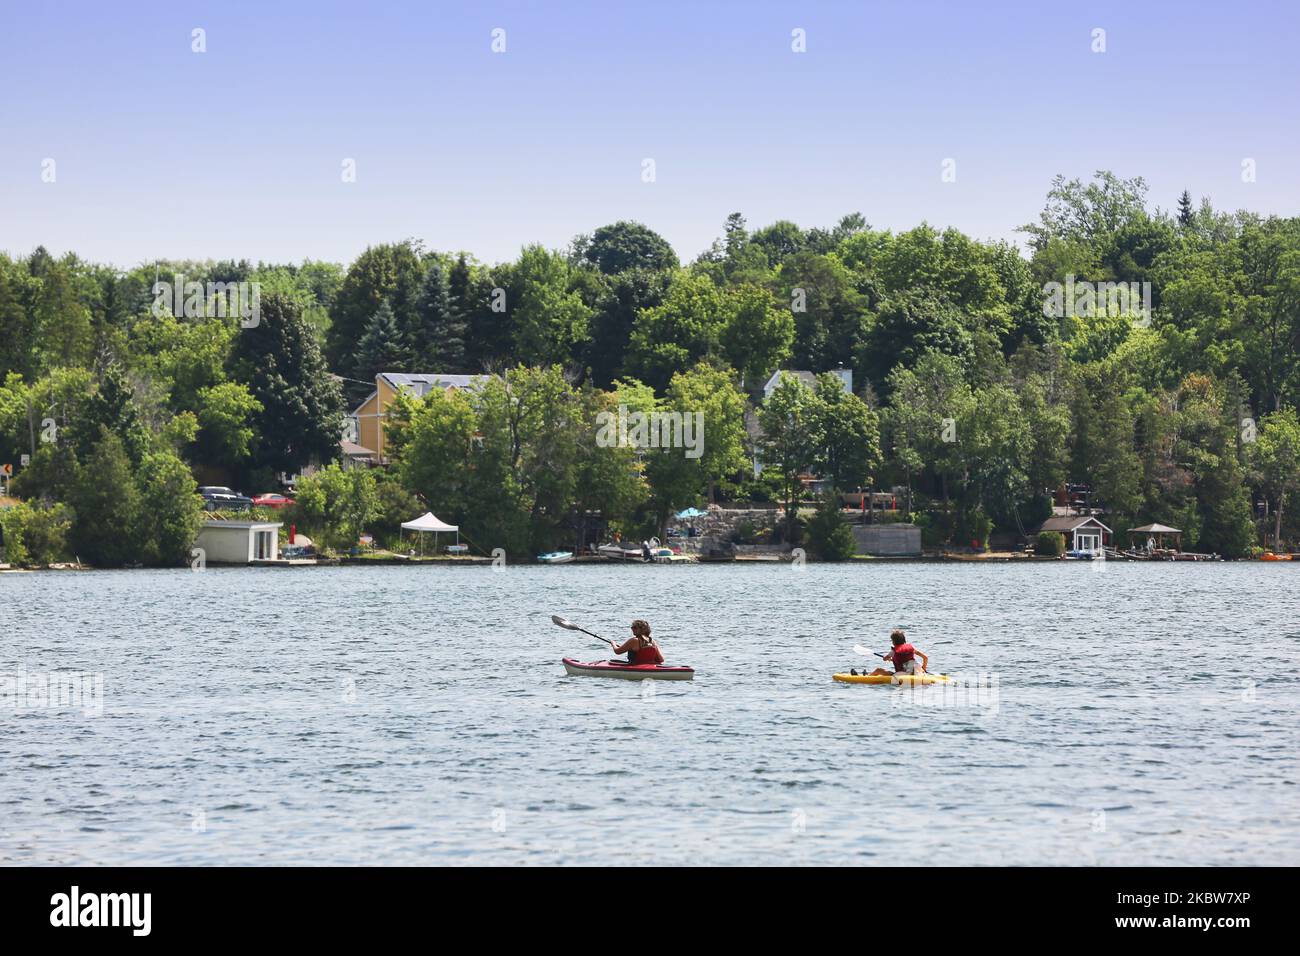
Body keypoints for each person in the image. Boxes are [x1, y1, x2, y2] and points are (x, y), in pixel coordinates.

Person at [854, 629, 928, 677]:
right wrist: (924, 669)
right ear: (904, 640)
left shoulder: (893, 651)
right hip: (917, 673)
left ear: (893, 642)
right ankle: (922, 673)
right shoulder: (912, 648)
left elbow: (885, 659)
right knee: (916, 666)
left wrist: (886, 658)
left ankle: (867, 677)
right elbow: (925, 657)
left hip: (902, 676)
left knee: (878, 670)